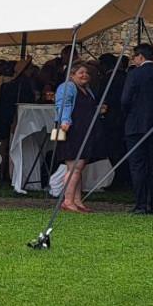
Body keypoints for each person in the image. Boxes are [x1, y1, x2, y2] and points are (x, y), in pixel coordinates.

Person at [120, 43, 153, 214]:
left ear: (140, 57)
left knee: (138, 165)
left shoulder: (134, 74)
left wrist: (130, 113)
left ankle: (141, 203)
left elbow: (125, 99)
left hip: (136, 124)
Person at [54, 62, 104, 213]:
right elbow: (63, 104)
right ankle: (68, 200)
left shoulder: (86, 89)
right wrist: (65, 121)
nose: (84, 75)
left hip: (84, 130)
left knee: (78, 167)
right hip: (73, 130)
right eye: (80, 72)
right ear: (72, 74)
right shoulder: (67, 87)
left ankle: (77, 200)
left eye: (86, 73)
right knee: (74, 167)